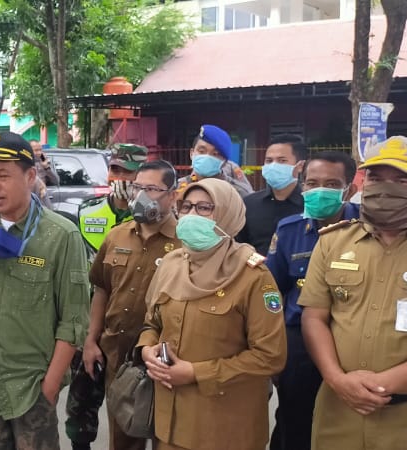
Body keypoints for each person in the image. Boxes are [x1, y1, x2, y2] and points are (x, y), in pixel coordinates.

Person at [0, 131, 90, 450]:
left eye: (3, 175)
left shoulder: (61, 235)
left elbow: (74, 321)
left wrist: (50, 386)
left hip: (31, 389)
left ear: (31, 175)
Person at [300, 136, 407, 449]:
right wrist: (337, 380)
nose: (386, 188)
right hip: (339, 410)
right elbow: (314, 317)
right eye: (375, 177)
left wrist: (385, 384)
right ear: (363, 182)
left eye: (401, 179)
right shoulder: (332, 242)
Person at [138, 178, 286, 450]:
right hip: (169, 424)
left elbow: (270, 356)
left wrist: (196, 373)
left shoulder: (253, 276)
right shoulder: (172, 264)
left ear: (227, 214)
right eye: (187, 207)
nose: (192, 215)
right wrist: (147, 348)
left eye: (205, 208)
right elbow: (152, 322)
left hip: (225, 429)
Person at [68, 159, 180, 450]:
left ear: (172, 195)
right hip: (118, 353)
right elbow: (102, 290)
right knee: (123, 437)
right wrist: (92, 341)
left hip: (165, 357)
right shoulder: (117, 235)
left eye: (153, 189)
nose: (142, 196)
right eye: (139, 187)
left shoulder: (184, 242)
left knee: (167, 436)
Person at [265, 151, 359, 450]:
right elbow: (271, 291)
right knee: (294, 419)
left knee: (347, 420)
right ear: (302, 186)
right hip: (298, 342)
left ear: (350, 189)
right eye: (312, 182)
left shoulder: (366, 229)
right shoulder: (289, 230)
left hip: (349, 339)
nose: (319, 190)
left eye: (331, 183)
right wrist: (275, 343)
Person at [236, 135, 306, 254]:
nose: (273, 166)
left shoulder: (309, 204)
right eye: (269, 161)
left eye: (282, 161)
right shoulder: (249, 204)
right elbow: (239, 246)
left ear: (300, 166)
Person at [77, 144, 148, 253]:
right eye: (115, 170)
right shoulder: (87, 210)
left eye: (128, 171)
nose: (120, 177)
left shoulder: (151, 214)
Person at [176, 124, 253, 197]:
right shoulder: (178, 188)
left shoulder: (237, 193)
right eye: (202, 151)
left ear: (225, 162)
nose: (207, 156)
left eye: (215, 154)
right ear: (191, 153)